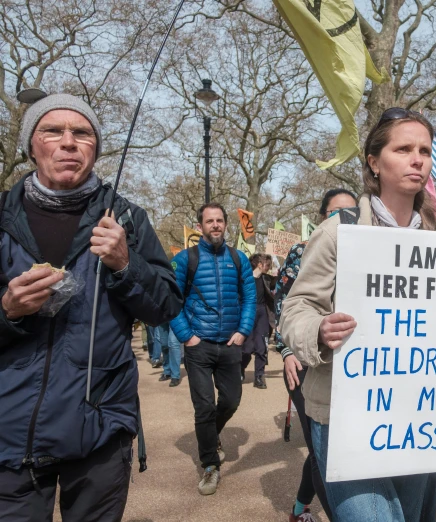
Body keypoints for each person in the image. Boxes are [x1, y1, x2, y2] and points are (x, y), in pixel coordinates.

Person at [279, 108, 436, 521]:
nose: (418, 159)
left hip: (419, 417)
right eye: (404, 149)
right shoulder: (337, 232)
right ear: (374, 163)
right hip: (348, 415)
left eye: (425, 150)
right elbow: (296, 308)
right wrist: (319, 329)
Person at [0, 93, 182, 521]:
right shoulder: (2, 217)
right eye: (52, 131)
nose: (68, 142)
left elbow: (166, 307)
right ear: (31, 146)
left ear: (95, 148)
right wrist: (8, 308)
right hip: (10, 429)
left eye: (81, 133)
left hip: (99, 426)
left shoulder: (127, 218)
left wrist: (125, 263)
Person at [274, 188, 358, 522]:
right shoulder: (301, 252)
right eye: (337, 213)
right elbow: (286, 309)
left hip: (351, 366)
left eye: (351, 212)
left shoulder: (373, 249)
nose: (344, 219)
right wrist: (286, 352)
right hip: (305, 362)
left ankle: (299, 506)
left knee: (337, 445)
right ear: (323, 217)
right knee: (323, 449)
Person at [170, 203, 256, 495]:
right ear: (200, 226)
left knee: (231, 400)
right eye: (210, 221)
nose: (215, 225)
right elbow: (172, 300)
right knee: (204, 407)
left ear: (225, 225)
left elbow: (249, 297)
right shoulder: (185, 259)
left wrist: (243, 331)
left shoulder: (238, 258)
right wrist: (186, 336)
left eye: (220, 220)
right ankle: (210, 465)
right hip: (199, 346)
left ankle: (211, 435)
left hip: (231, 345)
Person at [242, 254, 275, 389]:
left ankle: (259, 377)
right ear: (259, 264)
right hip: (247, 312)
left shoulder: (267, 279)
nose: (269, 267)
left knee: (262, 347)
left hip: (262, 313)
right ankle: (240, 369)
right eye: (267, 264)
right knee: (247, 348)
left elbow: (282, 282)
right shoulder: (244, 279)